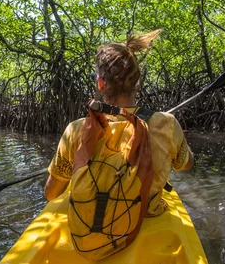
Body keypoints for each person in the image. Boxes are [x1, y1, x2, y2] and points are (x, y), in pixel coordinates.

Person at [44, 29, 194, 217]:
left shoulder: (76, 130)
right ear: (137, 81)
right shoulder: (167, 123)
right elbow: (186, 165)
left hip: (92, 230)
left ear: (100, 83)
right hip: (146, 218)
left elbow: (51, 194)